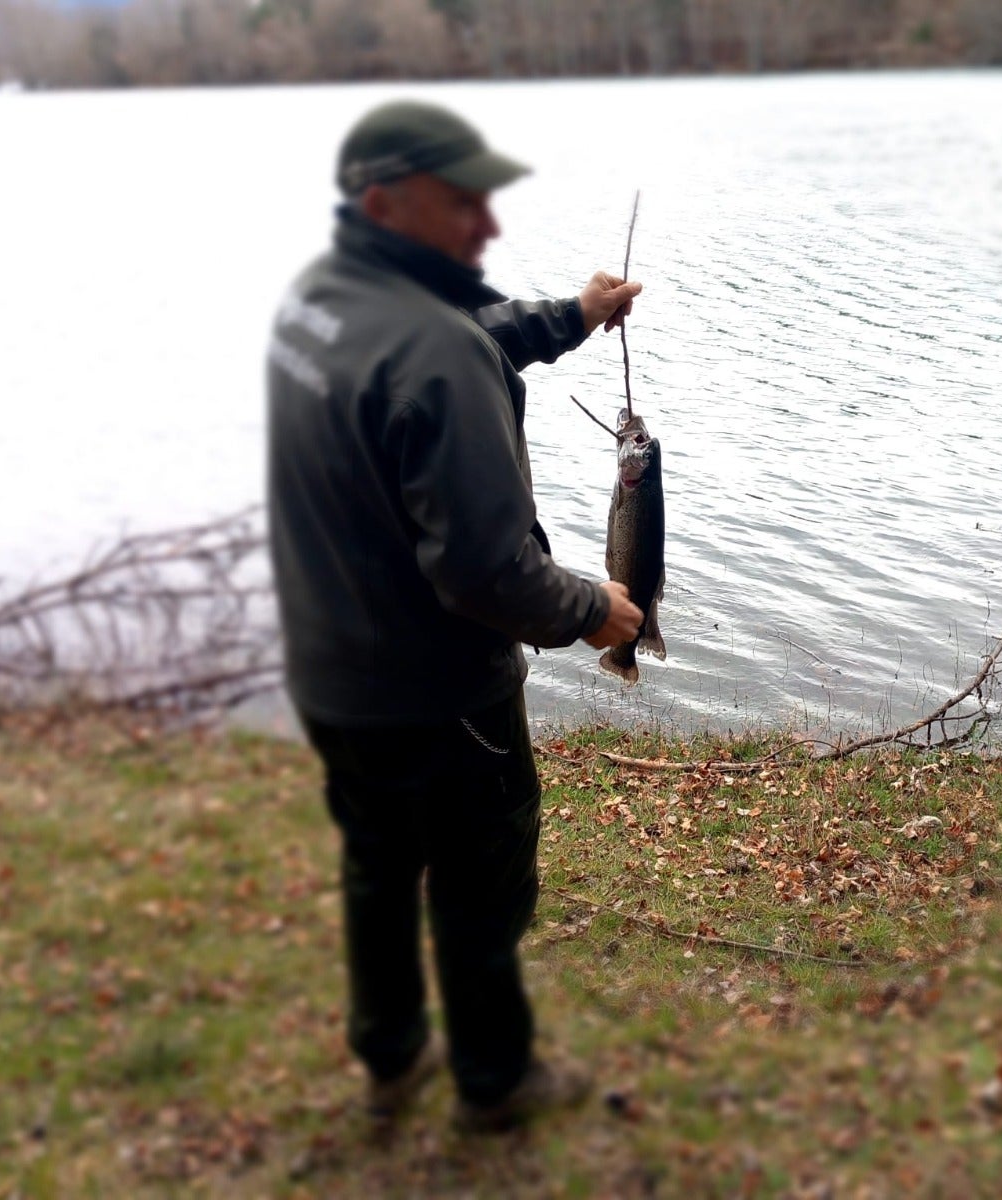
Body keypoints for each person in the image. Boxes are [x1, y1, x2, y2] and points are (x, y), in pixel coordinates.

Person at [266, 99, 645, 1133]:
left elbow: (470, 339)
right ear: (384, 204)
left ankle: (389, 1059)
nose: (483, 226)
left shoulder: (321, 304)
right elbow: (487, 573)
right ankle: (492, 1079)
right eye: (456, 204)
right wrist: (595, 609)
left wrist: (569, 316)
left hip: (334, 668)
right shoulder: (433, 351)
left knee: (377, 867)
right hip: (442, 693)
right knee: (482, 880)